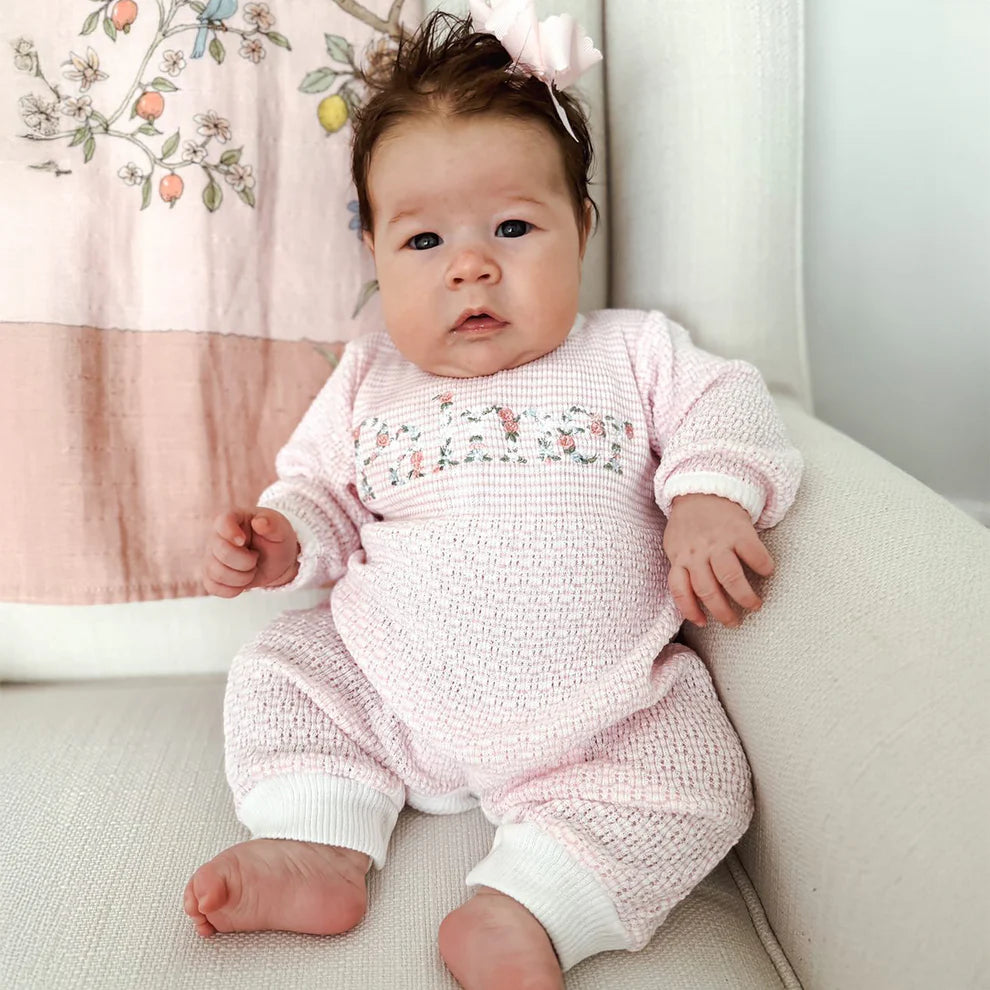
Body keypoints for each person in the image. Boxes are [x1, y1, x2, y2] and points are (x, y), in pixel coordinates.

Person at [183, 4, 804, 988]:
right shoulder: (368, 377)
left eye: (514, 227)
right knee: (285, 666)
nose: (471, 265)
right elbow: (319, 501)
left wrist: (708, 497)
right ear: (377, 258)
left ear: (582, 230)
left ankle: (532, 904)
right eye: (423, 242)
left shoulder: (631, 351)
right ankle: (320, 838)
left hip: (602, 707)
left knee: (703, 781)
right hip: (391, 678)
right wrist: (279, 539)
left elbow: (731, 407)